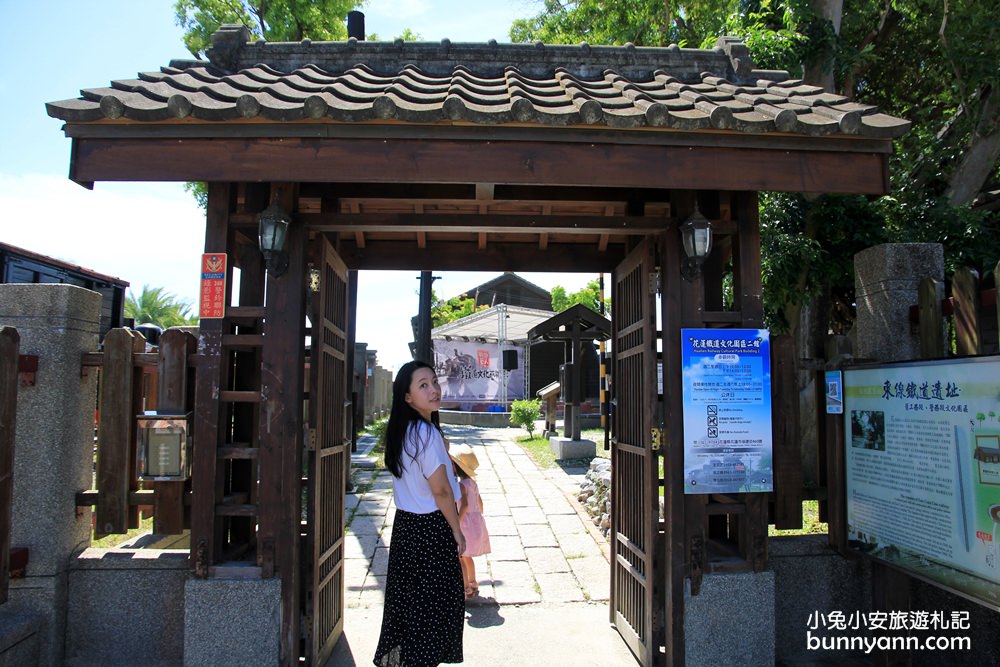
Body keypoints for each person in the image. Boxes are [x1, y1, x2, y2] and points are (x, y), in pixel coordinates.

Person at [374, 361, 466, 667]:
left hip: (406, 529)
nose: (433, 389)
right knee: (433, 609)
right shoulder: (426, 434)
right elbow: (440, 490)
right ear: (407, 397)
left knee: (409, 606)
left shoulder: (405, 431)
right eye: (423, 385)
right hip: (431, 529)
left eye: (434, 382)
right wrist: (456, 529)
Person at [450, 444, 491, 598]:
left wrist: (456, 523)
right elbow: (480, 504)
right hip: (475, 521)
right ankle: (473, 582)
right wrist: (478, 516)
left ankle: (466, 586)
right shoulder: (473, 483)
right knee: (468, 557)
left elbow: (465, 505)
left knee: (461, 556)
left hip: (465, 524)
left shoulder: (461, 485)